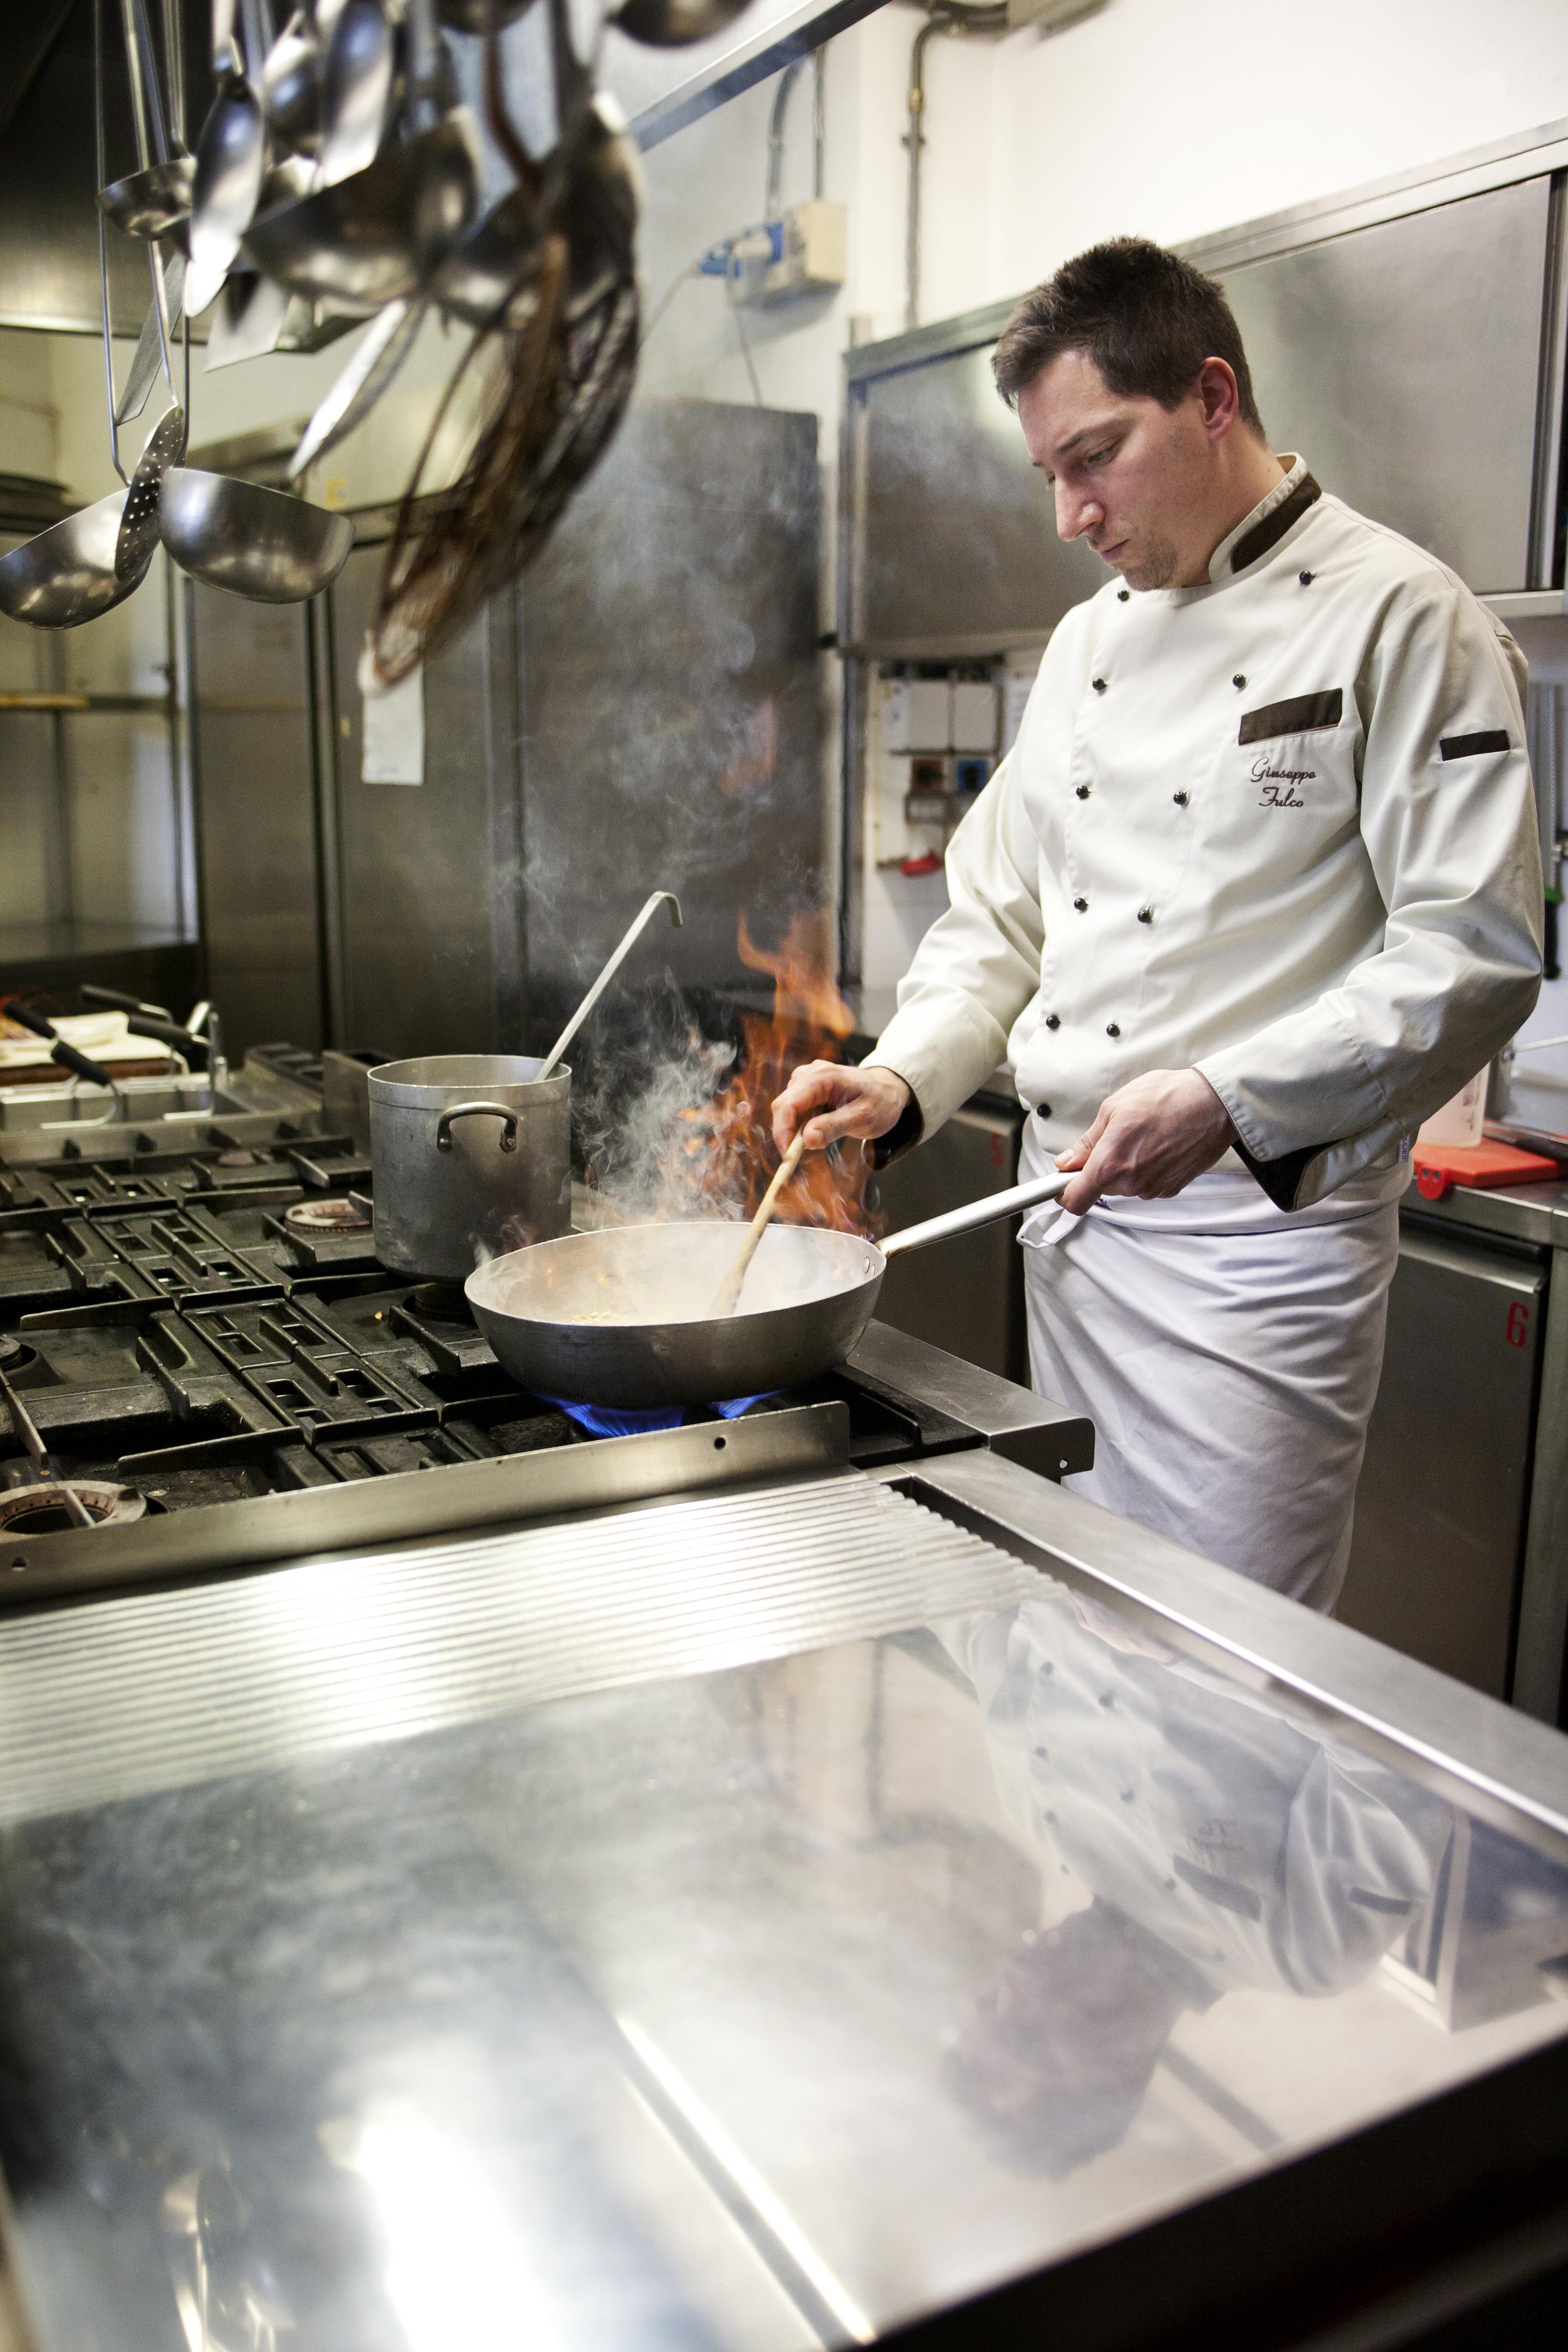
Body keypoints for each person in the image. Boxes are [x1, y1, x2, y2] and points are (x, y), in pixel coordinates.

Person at [774, 237, 1542, 1609]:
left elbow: (1471, 951)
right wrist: (896, 1083)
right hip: (1073, 1231)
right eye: (1048, 475)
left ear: (1210, 396)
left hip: (1255, 1252)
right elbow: (999, 917)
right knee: (1088, 1642)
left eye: (1096, 457)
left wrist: (1223, 1097)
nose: (1070, 514)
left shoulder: (1403, 618)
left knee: (1223, 1657)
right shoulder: (1085, 646)